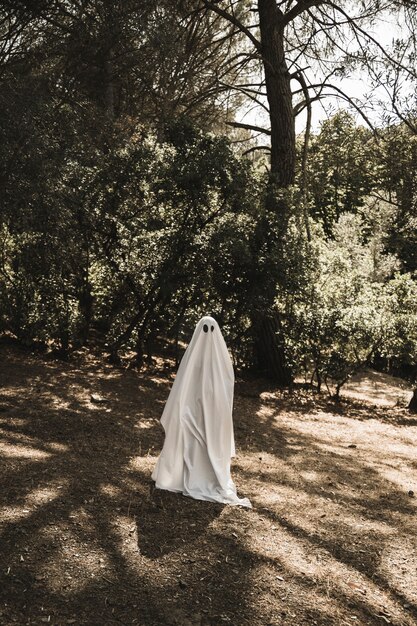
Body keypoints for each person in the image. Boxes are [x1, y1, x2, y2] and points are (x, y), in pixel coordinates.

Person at [152, 315, 251, 507]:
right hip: (191, 411)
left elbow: (225, 391)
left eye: (210, 329)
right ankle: (182, 475)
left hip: (213, 414)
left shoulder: (222, 362)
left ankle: (206, 475)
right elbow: (183, 385)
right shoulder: (192, 358)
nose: (207, 333)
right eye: (204, 328)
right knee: (189, 441)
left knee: (207, 444)